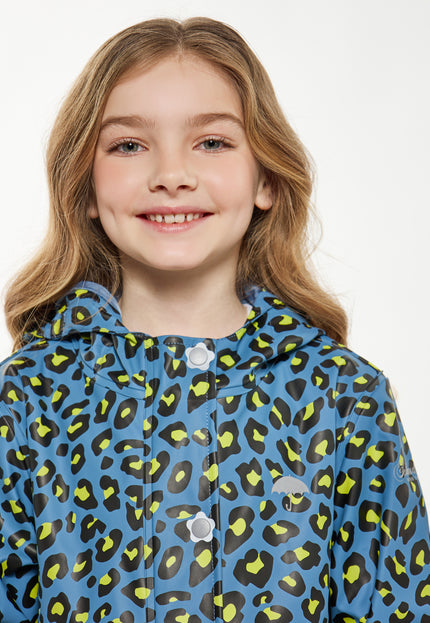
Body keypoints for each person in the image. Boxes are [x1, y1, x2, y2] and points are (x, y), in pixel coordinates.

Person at [0, 16, 429, 623]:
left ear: (266, 179)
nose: (172, 176)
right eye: (129, 145)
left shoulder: (346, 399)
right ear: (86, 187)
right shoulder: (27, 400)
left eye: (212, 142)